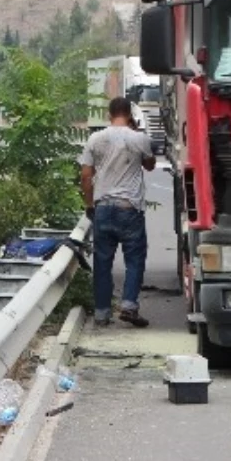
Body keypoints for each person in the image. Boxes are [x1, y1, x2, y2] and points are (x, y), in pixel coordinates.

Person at [79, 97, 156, 327]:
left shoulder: (95, 138)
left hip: (102, 207)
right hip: (129, 208)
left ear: (108, 114)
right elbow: (150, 165)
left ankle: (102, 314)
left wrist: (90, 204)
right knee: (134, 259)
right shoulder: (138, 138)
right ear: (130, 115)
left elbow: (85, 176)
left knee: (102, 263)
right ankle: (129, 305)